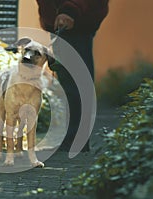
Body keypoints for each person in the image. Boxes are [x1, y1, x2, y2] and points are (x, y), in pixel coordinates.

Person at [36, 0, 109, 152]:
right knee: (69, 84)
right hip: (66, 21)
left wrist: (69, 10)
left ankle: (75, 141)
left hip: (71, 20)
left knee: (75, 85)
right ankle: (72, 139)